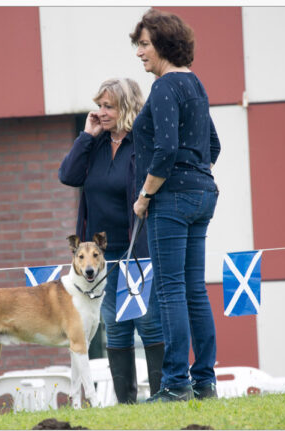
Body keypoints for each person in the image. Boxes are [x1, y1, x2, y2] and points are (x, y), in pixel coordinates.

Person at [129, 9, 221, 402]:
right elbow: (213, 145)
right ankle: (205, 382)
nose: (139, 53)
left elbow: (165, 150)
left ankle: (175, 384)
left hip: (171, 199)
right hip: (202, 194)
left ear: (164, 44)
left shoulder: (165, 87)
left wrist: (146, 195)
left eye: (145, 44)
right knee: (193, 290)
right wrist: (194, 172)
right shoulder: (195, 84)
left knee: (169, 291)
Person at [59, 78, 164, 404]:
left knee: (147, 322)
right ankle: (126, 403)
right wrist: (86, 136)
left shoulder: (143, 143)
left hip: (138, 248)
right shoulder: (96, 144)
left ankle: (162, 395)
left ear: (127, 107)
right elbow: (68, 175)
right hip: (100, 258)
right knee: (114, 325)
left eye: (109, 107)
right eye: (99, 105)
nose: (101, 112)